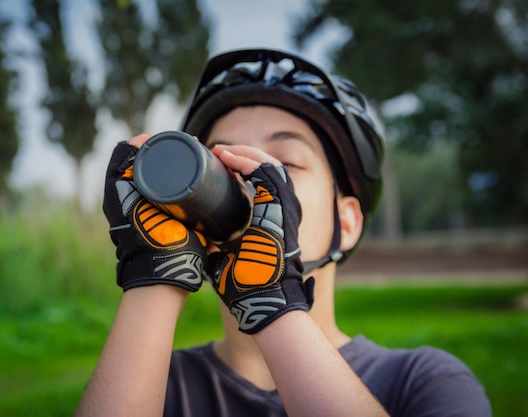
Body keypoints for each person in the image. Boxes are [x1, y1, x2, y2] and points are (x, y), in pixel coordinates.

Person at [74, 48, 491, 417]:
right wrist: (154, 273)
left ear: (347, 223)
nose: (244, 177)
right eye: (218, 163)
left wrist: (271, 300)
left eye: (285, 165)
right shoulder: (151, 385)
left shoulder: (422, 381)